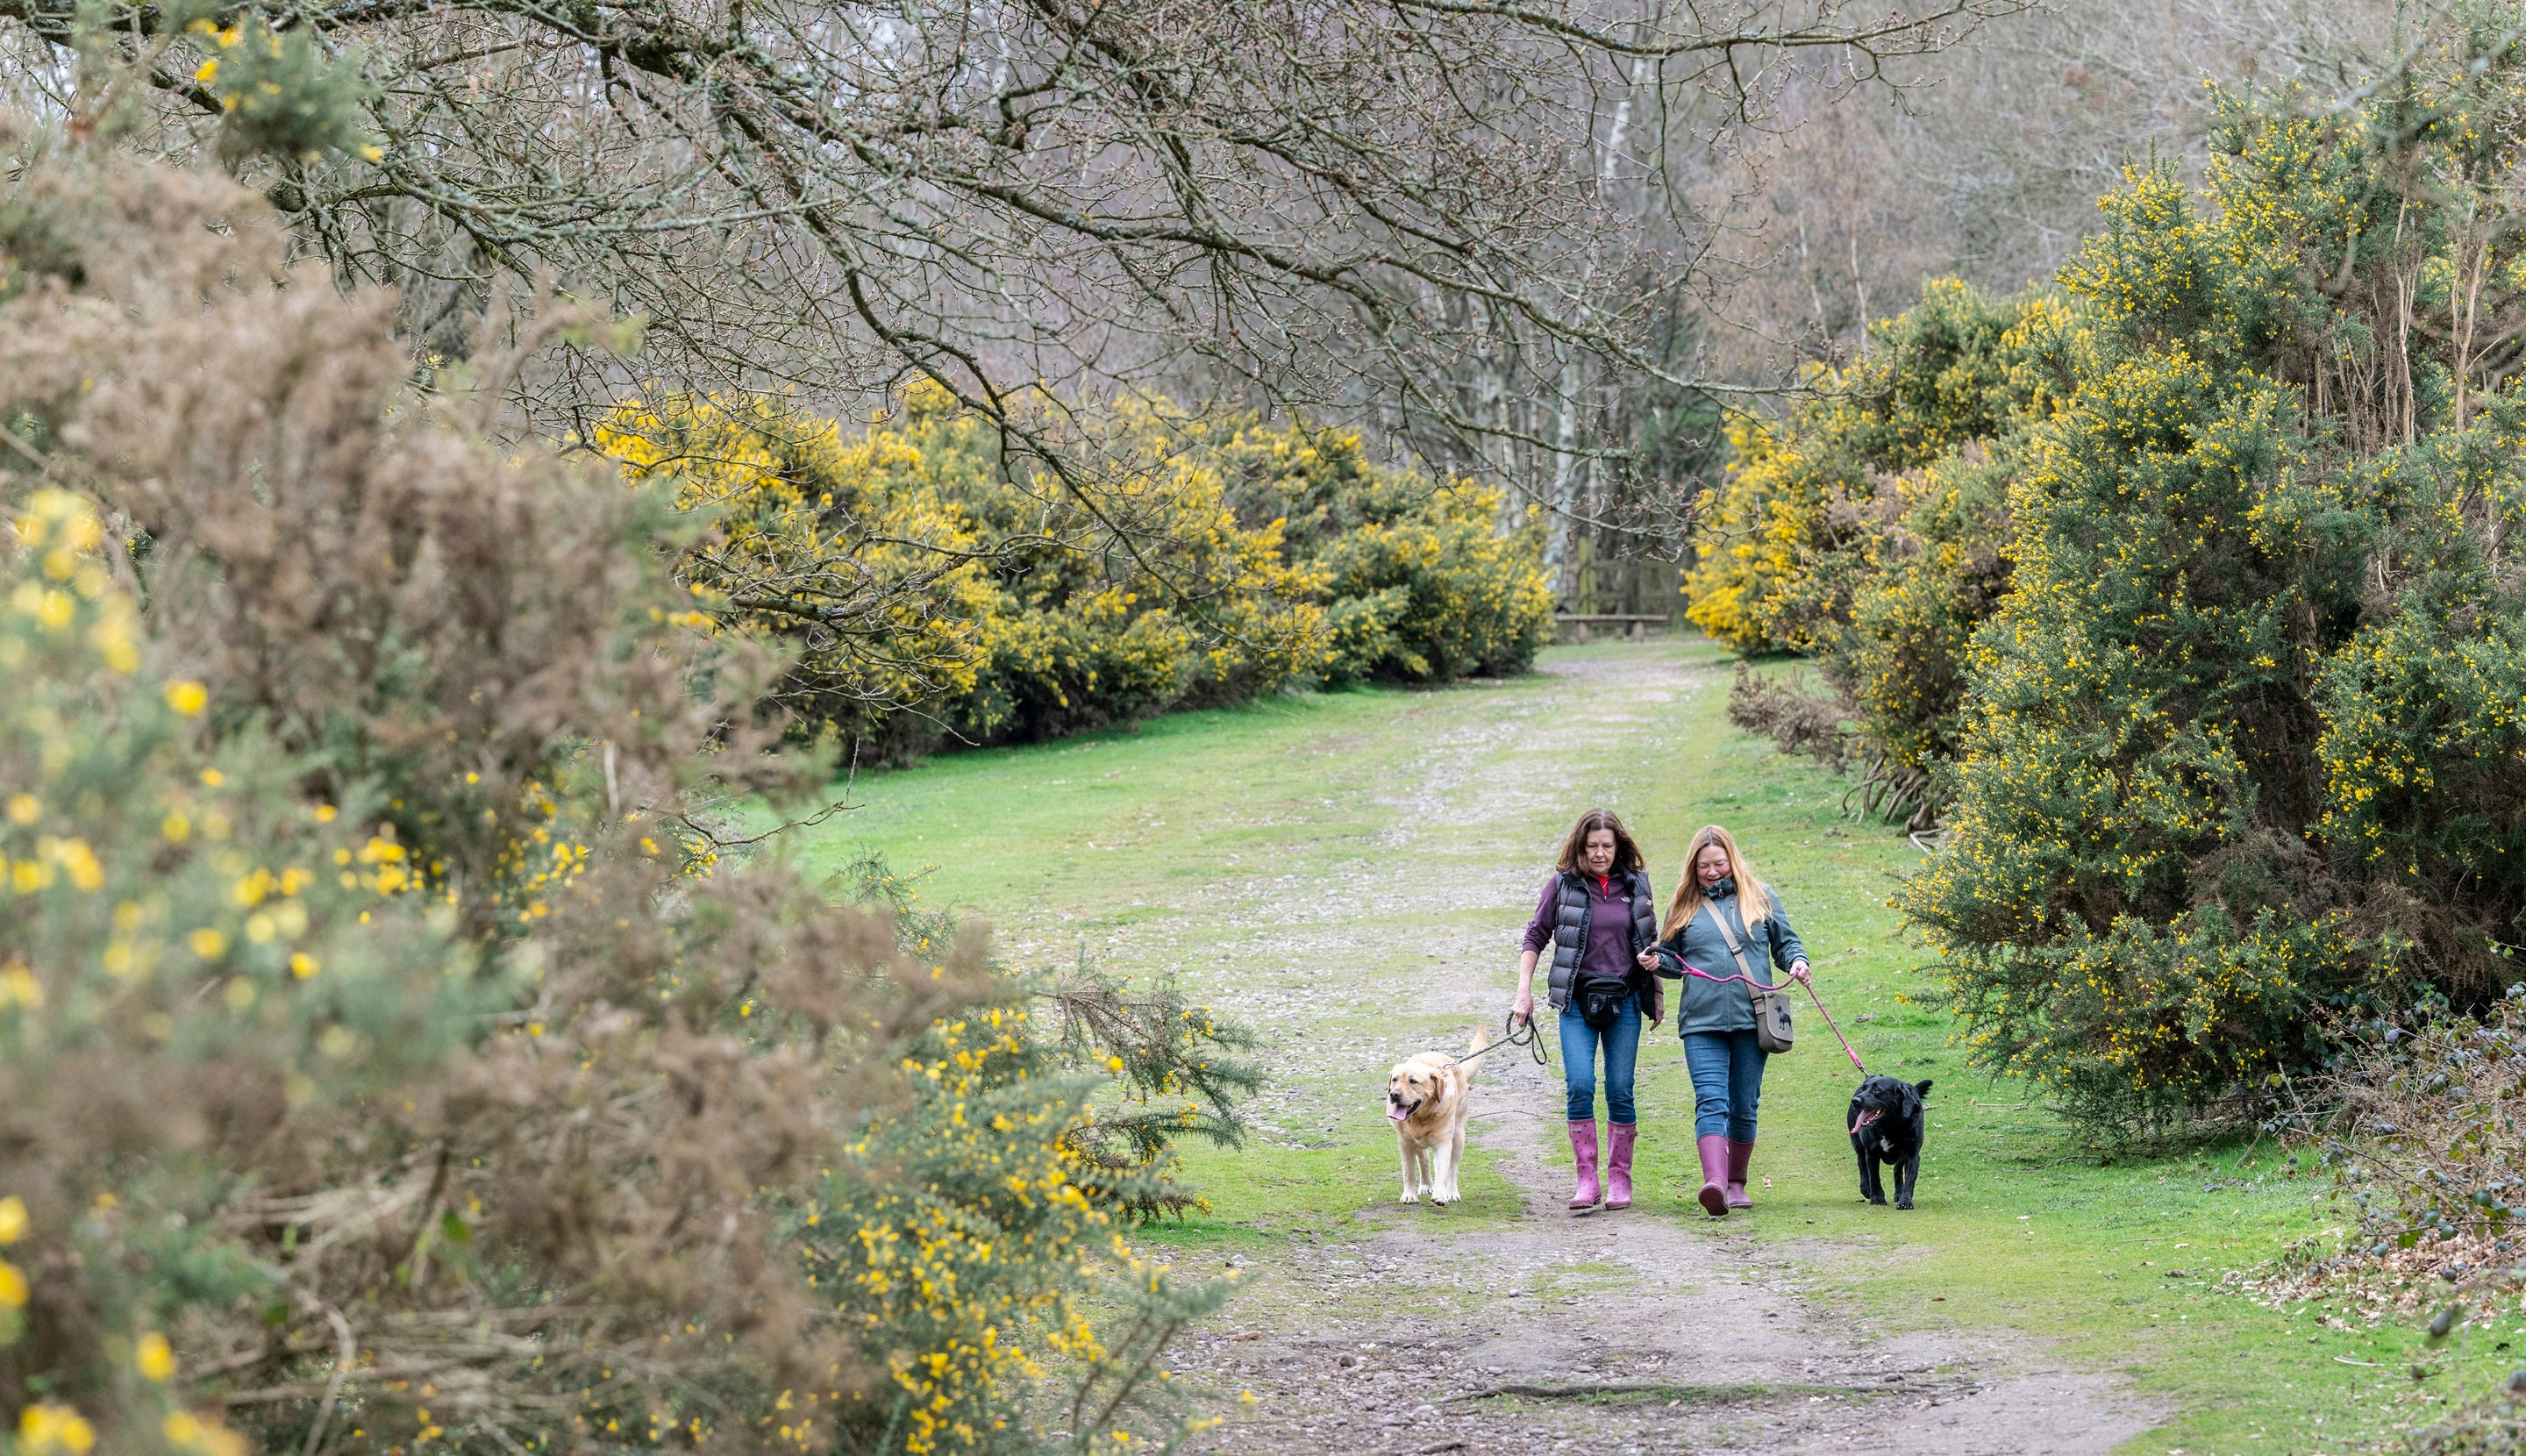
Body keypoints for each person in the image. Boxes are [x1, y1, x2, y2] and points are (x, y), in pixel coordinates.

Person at [1509, 809, 1665, 1211]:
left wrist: (1653, 961)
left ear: (1619, 847)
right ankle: (1586, 1179)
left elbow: (1651, 940)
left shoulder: (1636, 884)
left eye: (1607, 847)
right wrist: (1523, 992)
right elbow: (1535, 937)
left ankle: (1619, 1180)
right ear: (1580, 847)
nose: (1599, 854)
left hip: (1625, 1001)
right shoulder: (1562, 886)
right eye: (1592, 846)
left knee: (1620, 1089)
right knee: (1580, 1085)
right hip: (1576, 1003)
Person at [1652, 824, 1809, 1218]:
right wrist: (1657, 961)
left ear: (1732, 860)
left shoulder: (1760, 897)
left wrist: (1798, 962)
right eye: (1704, 866)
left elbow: (1786, 943)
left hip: (1752, 1019)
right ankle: (1715, 1184)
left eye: (1719, 863)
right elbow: (1673, 959)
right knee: (1710, 1100)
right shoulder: (1683, 905)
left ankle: (1737, 1183)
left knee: (1743, 1104)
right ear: (1693, 866)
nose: (1712, 872)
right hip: (1701, 1023)